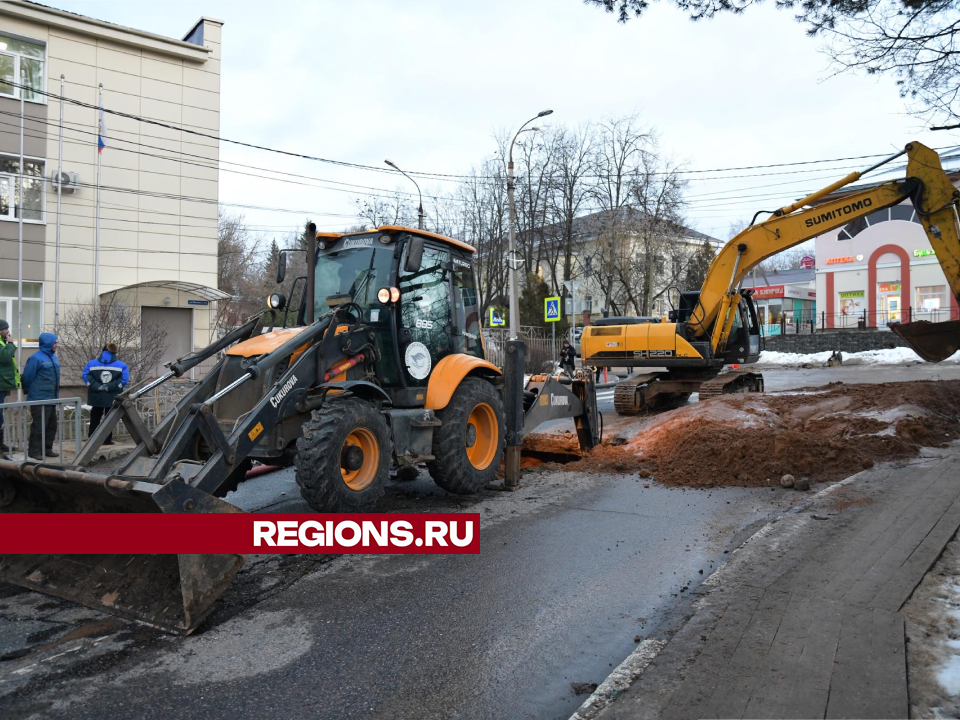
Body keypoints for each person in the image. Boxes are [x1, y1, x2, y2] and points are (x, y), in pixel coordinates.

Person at [21, 332, 60, 460]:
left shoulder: (53, 357)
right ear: (48, 343)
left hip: (51, 397)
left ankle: (47, 448)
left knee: (51, 426)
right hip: (39, 398)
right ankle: (34, 451)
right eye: (55, 342)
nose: (56, 344)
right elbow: (27, 377)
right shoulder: (36, 358)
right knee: (39, 426)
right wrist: (28, 391)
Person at [82, 343, 129, 445]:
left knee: (95, 416)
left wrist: (96, 386)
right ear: (115, 352)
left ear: (103, 351)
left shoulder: (91, 363)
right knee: (109, 418)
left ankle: (92, 439)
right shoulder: (121, 365)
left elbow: (85, 375)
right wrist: (110, 386)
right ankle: (107, 439)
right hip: (112, 396)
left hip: (96, 395)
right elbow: (124, 380)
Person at [0, 319, 19, 460]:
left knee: (0, 416)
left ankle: (1, 445)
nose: (8, 331)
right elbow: (6, 357)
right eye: (6, 329)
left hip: (2, 384)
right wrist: (11, 343)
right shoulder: (3, 343)